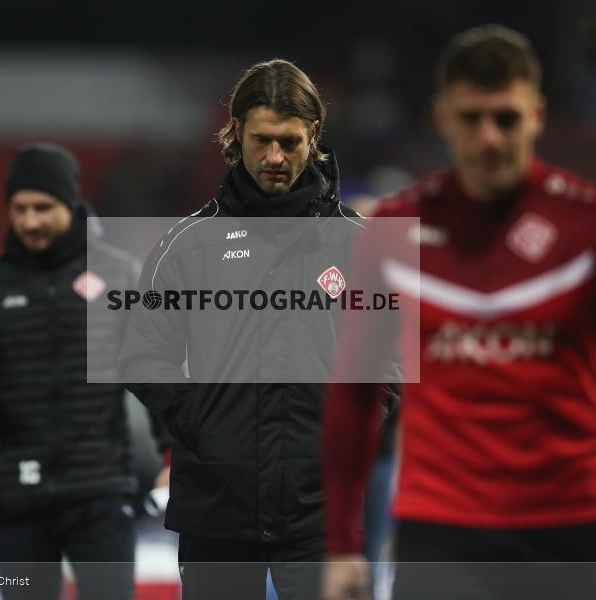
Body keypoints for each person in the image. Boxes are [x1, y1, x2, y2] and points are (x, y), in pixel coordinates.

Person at [321, 25, 596, 600]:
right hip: (439, 533)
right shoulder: (392, 232)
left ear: (538, 114)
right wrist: (341, 544)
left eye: (507, 118)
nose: (489, 138)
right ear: (442, 117)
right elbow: (353, 393)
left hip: (567, 530)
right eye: (471, 119)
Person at [120, 59, 396, 600]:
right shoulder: (187, 244)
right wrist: (202, 423)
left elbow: (392, 360)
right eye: (261, 139)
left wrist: (349, 429)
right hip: (215, 505)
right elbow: (142, 353)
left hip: (323, 509)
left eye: (289, 142)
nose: (274, 157)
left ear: (313, 135)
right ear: (235, 134)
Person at [0, 143, 166, 600]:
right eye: (20, 209)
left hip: (101, 490)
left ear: (70, 204)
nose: (30, 221)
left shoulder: (119, 276)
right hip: (18, 497)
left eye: (43, 208)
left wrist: (175, 453)